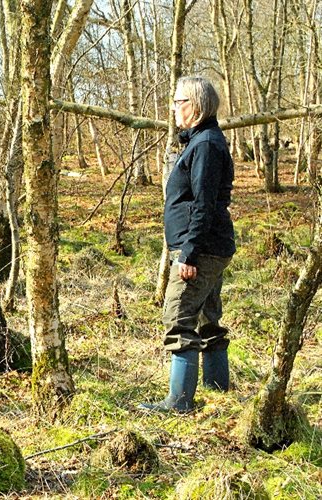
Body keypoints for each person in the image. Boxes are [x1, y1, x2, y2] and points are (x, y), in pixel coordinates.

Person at [139, 76, 236, 413]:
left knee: (179, 317)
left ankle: (178, 402)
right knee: (209, 316)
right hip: (209, 245)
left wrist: (189, 252)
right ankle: (216, 390)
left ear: (194, 107)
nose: (173, 108)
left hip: (201, 249)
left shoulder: (207, 145)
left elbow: (204, 204)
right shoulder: (201, 141)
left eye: (178, 102)